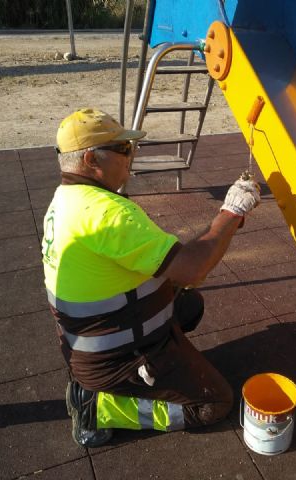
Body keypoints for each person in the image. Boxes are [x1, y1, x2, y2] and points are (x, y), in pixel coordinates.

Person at [41, 108, 261, 447]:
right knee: (214, 403)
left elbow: (175, 265)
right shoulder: (107, 213)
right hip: (111, 358)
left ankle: (156, 363)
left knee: (187, 305)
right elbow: (193, 268)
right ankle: (101, 406)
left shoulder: (66, 199)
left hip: (89, 341)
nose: (131, 157)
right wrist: (232, 211)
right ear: (90, 159)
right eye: (124, 150)